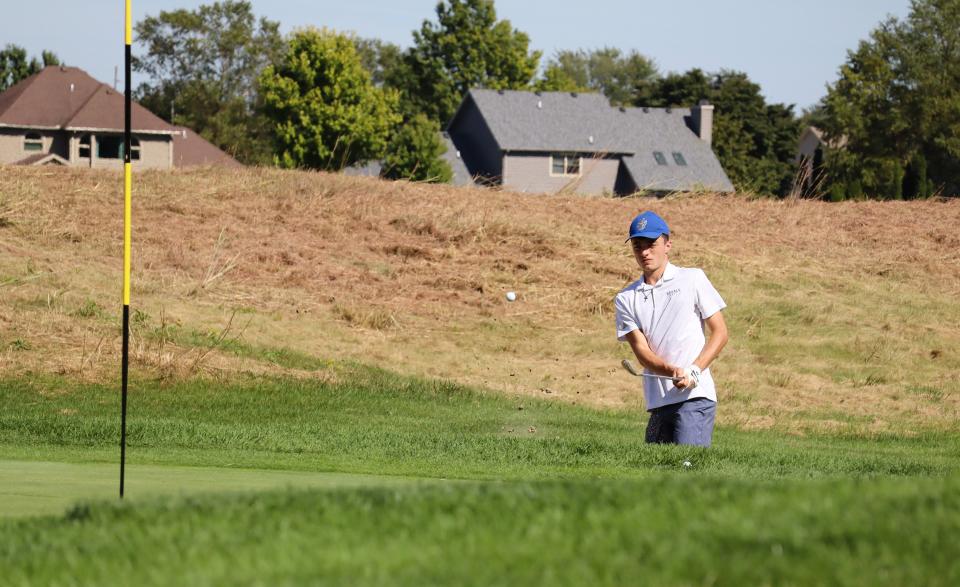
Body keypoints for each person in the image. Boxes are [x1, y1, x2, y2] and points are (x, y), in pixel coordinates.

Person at [614, 211, 729, 447]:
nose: (645, 252)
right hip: (658, 402)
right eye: (638, 246)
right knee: (654, 478)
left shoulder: (693, 279)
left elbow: (720, 333)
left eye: (651, 244)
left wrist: (695, 370)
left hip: (694, 397)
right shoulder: (626, 298)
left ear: (667, 244)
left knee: (688, 473)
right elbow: (641, 351)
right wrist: (671, 370)